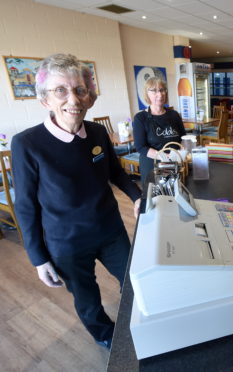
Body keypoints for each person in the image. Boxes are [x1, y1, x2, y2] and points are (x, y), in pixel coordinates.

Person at [11, 53, 142, 350]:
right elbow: (26, 206)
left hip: (110, 230)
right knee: (87, 299)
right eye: (61, 90)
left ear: (90, 97)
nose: (73, 98)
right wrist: (38, 258)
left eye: (80, 90)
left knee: (135, 280)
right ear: (45, 99)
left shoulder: (96, 132)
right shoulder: (27, 144)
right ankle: (105, 335)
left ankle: (138, 319)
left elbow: (116, 173)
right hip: (66, 242)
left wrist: (137, 197)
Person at [132, 77, 186, 188]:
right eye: (154, 90)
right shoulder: (140, 118)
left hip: (174, 164)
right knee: (156, 199)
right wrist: (163, 157)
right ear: (147, 94)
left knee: (175, 196)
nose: (160, 94)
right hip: (152, 166)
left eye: (162, 90)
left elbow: (183, 138)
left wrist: (183, 152)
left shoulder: (174, 115)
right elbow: (140, 147)